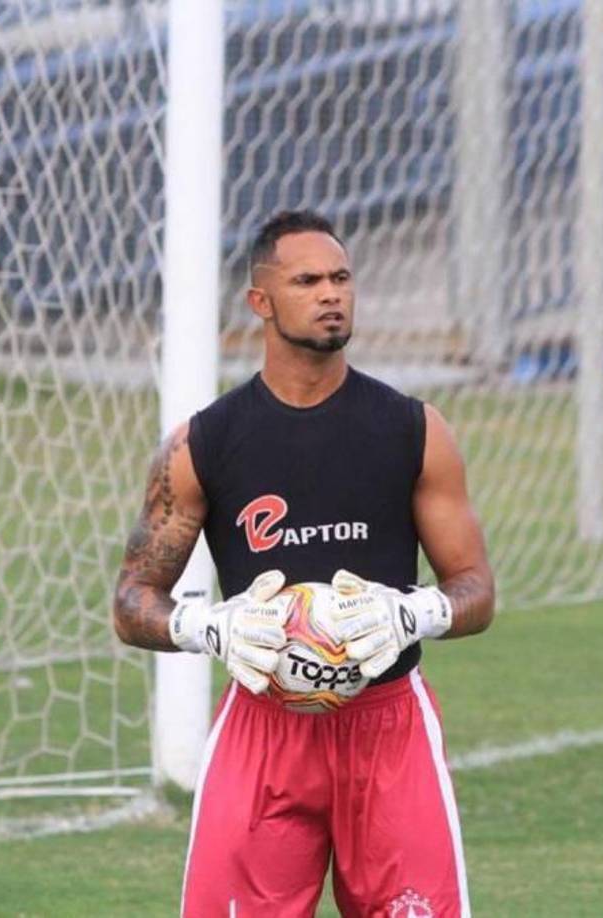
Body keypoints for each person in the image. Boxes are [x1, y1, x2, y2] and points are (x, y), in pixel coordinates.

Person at [113, 210, 495, 917]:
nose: (331, 294)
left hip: (389, 724)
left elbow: (476, 589)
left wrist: (414, 612)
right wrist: (209, 627)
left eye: (341, 279)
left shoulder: (413, 429)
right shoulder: (203, 445)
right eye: (308, 281)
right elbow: (132, 601)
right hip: (262, 730)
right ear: (260, 301)